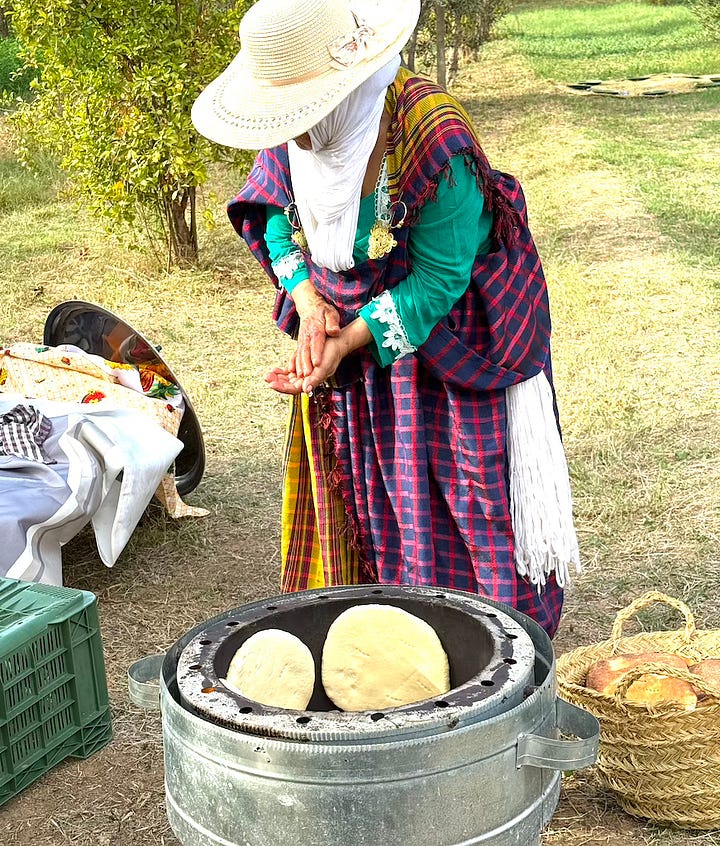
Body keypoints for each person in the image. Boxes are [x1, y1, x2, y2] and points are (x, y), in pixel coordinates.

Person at [192, 0, 579, 637]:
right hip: (359, 359)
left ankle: (488, 652)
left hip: (452, 355)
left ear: (345, 86)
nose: (294, 136)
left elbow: (438, 281)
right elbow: (272, 212)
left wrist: (347, 340)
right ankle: (374, 639)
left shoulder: (432, 140)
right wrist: (309, 301)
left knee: (461, 509)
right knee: (372, 511)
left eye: (304, 116)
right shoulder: (296, 138)